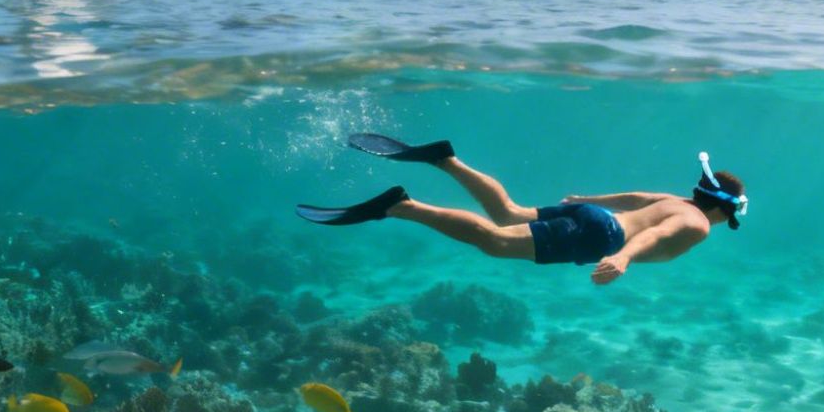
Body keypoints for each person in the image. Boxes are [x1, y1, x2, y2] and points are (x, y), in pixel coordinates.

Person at [298, 135, 746, 286]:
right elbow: (656, 238)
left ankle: (445, 158)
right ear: (723, 209)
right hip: (602, 239)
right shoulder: (696, 223)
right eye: (732, 216)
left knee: (509, 212)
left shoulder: (678, 200)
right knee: (494, 242)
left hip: (596, 218)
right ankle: (401, 206)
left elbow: (633, 198)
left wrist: (585, 200)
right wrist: (624, 257)